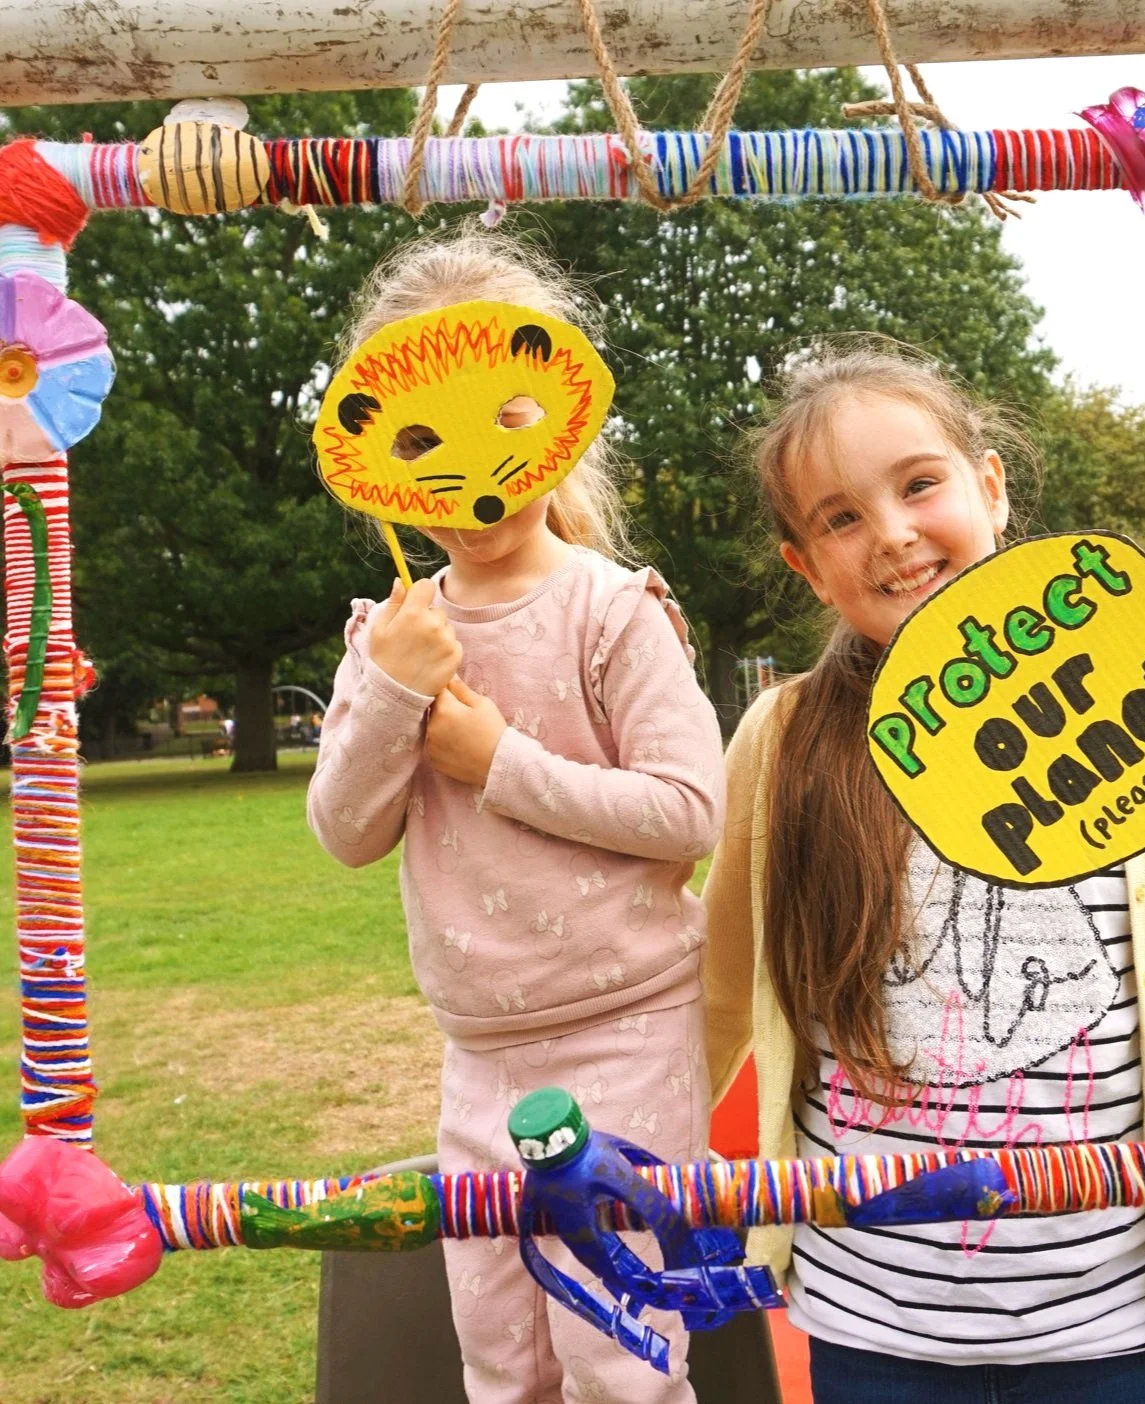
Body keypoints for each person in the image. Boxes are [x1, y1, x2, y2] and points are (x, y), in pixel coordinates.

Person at [702, 345, 1145, 1404]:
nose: (893, 533)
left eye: (919, 485)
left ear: (990, 488)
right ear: (806, 566)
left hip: (1116, 1331)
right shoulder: (782, 741)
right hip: (872, 1324)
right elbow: (718, 992)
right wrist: (633, 1143)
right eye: (842, 518)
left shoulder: (1136, 708)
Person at [307, 225, 723, 1404]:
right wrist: (393, 692)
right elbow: (345, 832)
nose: (465, 473)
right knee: (500, 1358)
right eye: (420, 440)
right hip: (478, 1053)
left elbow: (690, 810)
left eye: (505, 420)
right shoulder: (388, 636)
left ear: (559, 414)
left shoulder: (613, 612)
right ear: (375, 451)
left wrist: (495, 758)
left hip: (630, 1034)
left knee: (619, 1356)